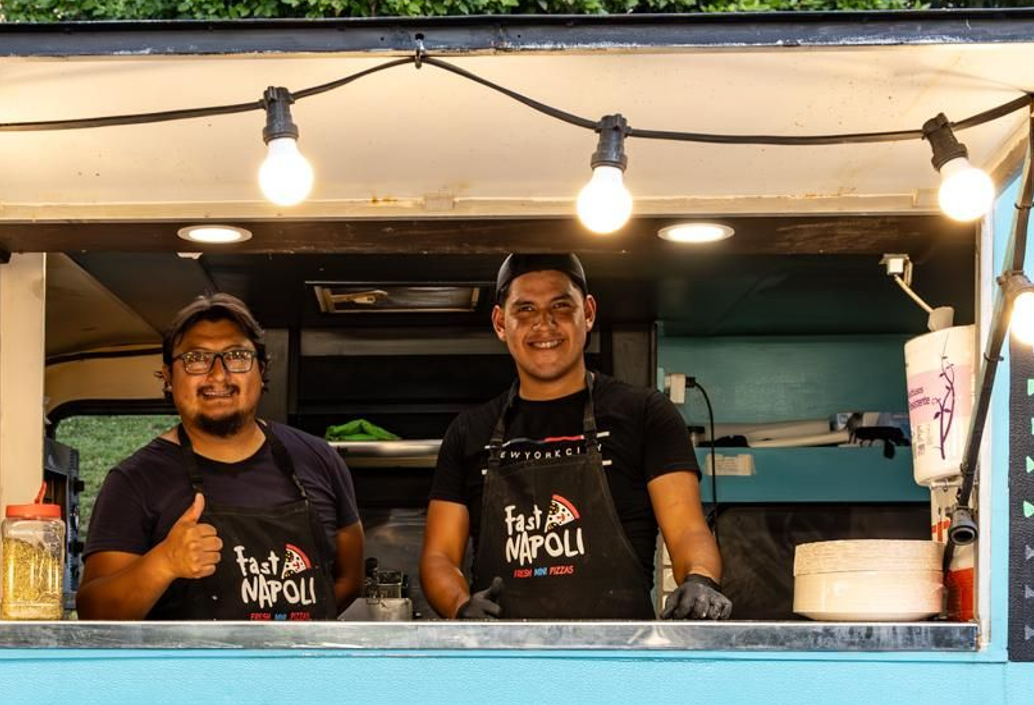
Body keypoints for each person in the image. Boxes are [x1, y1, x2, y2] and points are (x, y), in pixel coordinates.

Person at [419, 254, 731, 621]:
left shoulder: (646, 413)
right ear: (501, 323)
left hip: (620, 661)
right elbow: (439, 556)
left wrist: (700, 580)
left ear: (589, 312)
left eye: (561, 307)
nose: (544, 324)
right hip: (504, 663)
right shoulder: (469, 431)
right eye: (525, 310)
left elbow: (688, 531)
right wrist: (460, 606)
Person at [77, 293, 364, 621]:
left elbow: (347, 580)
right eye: (196, 359)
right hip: (190, 673)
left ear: (261, 369)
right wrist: (164, 563)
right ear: (169, 377)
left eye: (237, 356)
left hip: (301, 670)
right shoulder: (134, 481)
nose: (218, 375)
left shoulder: (319, 459)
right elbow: (95, 614)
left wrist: (281, 644)